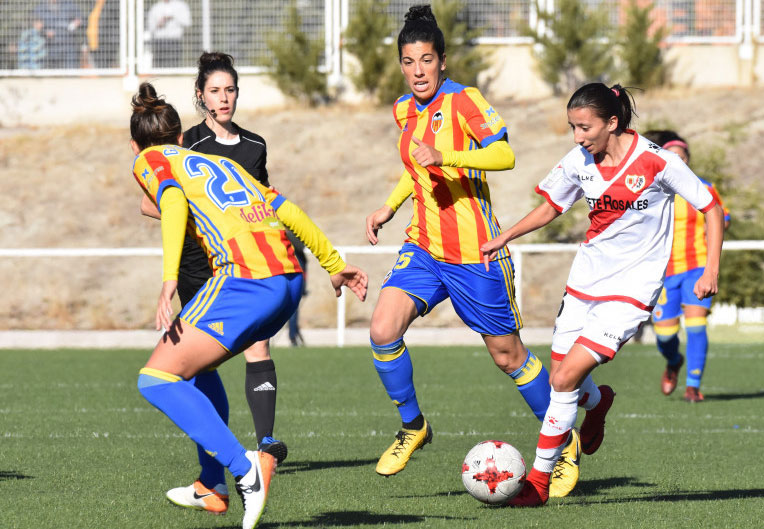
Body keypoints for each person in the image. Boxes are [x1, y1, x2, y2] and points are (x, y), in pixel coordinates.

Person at [363, 4, 582, 498]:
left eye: (426, 60)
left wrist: (448, 155)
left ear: (442, 60)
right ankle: (413, 425)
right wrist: (389, 206)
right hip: (423, 245)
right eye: (408, 62)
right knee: (382, 330)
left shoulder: (464, 101)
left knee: (509, 358)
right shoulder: (403, 109)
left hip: (474, 251)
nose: (418, 71)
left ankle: (564, 442)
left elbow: (504, 154)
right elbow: (415, 169)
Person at [130, 82, 367, 529]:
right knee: (198, 369)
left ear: (135, 144)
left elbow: (174, 200)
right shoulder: (219, 163)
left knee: (156, 379)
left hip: (246, 279)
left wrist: (167, 280)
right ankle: (210, 484)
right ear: (182, 137)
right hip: (289, 278)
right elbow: (287, 210)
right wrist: (334, 264)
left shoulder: (149, 158)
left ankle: (245, 469)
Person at [480, 83, 725, 506]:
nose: (578, 137)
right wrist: (505, 237)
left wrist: (712, 269)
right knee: (566, 380)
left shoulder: (656, 161)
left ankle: (538, 483)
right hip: (583, 283)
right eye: (573, 127)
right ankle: (600, 401)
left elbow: (712, 207)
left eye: (585, 127)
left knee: (561, 379)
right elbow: (550, 207)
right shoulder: (579, 161)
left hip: (631, 291)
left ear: (612, 123)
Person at [138, 52, 292, 513]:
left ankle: (263, 448)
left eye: (230, 90)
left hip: (241, 264)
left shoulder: (255, 146)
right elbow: (156, 204)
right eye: (215, 91)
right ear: (200, 96)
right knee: (196, 371)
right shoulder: (186, 142)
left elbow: (261, 204)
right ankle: (213, 479)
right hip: (197, 266)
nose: (223, 98)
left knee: (257, 347)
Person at [644, 130, 730, 403]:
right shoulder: (652, 189)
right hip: (663, 271)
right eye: (674, 156)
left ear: (688, 160)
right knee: (665, 335)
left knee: (696, 325)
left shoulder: (703, 188)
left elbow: (723, 218)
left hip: (696, 268)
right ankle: (674, 361)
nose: (678, 160)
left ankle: (693, 385)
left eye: (683, 156)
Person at [33, 0, 83, 69]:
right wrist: (45, 32)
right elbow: (36, 24)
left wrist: (71, 26)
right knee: (53, 73)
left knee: (70, 72)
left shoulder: (69, 3)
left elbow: (79, 19)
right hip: (51, 47)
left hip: (69, 45)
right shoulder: (41, 7)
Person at [145, 0, 191, 67]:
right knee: (159, 66)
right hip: (159, 41)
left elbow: (187, 22)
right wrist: (158, 24)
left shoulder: (181, 6)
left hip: (175, 40)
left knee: (174, 65)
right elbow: (150, 26)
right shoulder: (156, 7)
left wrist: (173, 17)